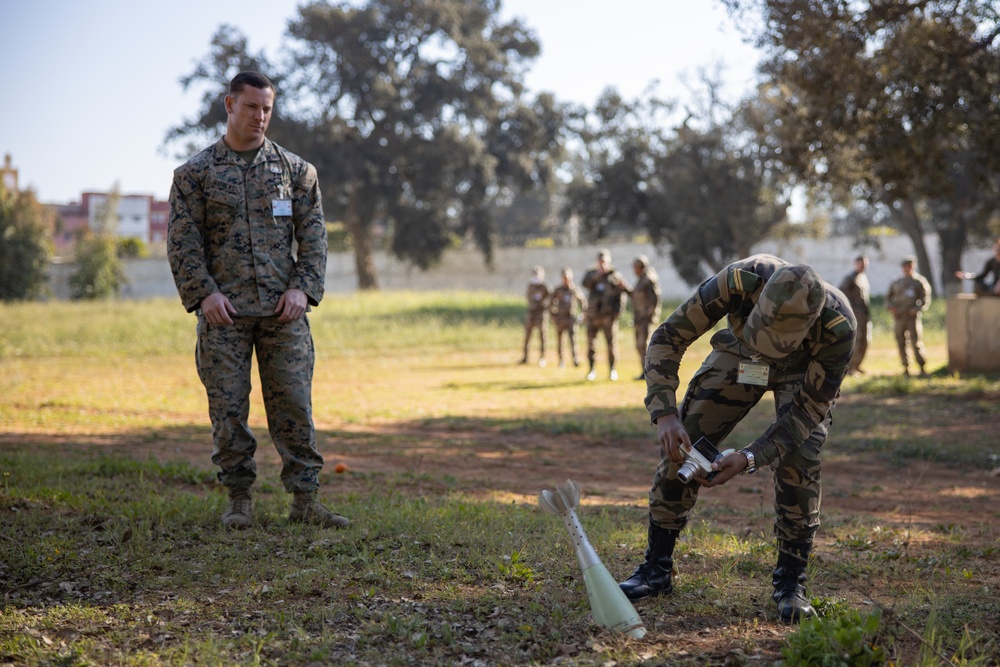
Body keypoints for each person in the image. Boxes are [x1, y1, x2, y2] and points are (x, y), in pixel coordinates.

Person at [618, 254, 856, 625]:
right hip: (742, 353)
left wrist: (749, 458)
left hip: (802, 372)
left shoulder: (838, 327)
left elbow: (804, 416)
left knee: (800, 457)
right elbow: (668, 336)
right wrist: (664, 412)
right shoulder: (739, 280)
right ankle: (656, 569)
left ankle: (791, 583)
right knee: (686, 439)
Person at [167, 71, 348, 530]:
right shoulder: (195, 175)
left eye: (267, 108)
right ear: (230, 105)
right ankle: (238, 499)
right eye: (251, 107)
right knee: (228, 410)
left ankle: (305, 500)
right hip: (223, 314)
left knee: (293, 405)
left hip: (282, 313)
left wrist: (302, 289)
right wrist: (203, 294)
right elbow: (183, 244)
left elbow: (314, 240)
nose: (260, 116)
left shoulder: (296, 172)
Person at [582, 249, 629, 381]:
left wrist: (618, 312)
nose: (602, 264)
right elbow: (585, 283)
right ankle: (591, 370)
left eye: (604, 262)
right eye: (600, 262)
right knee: (591, 344)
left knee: (611, 344)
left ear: (608, 262)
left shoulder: (614, 276)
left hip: (608, 317)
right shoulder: (592, 274)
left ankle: (612, 370)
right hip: (593, 316)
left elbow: (621, 294)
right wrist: (597, 275)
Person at [886, 256, 932, 377]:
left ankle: (922, 367)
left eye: (910, 266)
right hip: (899, 317)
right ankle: (906, 367)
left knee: (915, 342)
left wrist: (916, 309)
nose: (908, 269)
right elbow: (887, 299)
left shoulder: (918, 282)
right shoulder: (896, 282)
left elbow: (925, 299)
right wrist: (891, 308)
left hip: (912, 317)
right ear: (903, 268)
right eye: (906, 266)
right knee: (901, 341)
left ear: (913, 267)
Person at [625, 255, 662, 380]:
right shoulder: (641, 280)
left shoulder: (648, 280)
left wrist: (650, 315)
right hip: (639, 318)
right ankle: (645, 371)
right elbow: (635, 296)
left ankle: (650, 372)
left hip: (645, 318)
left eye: (635, 267)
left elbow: (655, 298)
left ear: (640, 267)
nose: (633, 270)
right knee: (640, 345)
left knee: (643, 345)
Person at [838, 255, 871, 375]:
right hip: (855, 315)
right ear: (856, 263)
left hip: (864, 315)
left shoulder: (863, 278)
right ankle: (850, 368)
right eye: (861, 264)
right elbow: (842, 295)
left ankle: (857, 365)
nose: (863, 266)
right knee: (855, 341)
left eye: (865, 264)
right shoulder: (850, 278)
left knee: (864, 341)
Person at [549, 267, 586, 368]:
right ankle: (561, 361)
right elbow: (549, 304)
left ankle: (575, 359)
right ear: (562, 278)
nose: (566, 279)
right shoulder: (558, 290)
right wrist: (554, 316)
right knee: (560, 341)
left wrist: (582, 314)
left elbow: (582, 301)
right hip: (560, 319)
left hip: (571, 319)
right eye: (565, 277)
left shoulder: (574, 290)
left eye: (568, 277)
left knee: (573, 340)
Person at [520, 266, 551, 366]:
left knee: (542, 336)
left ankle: (542, 357)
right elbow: (528, 298)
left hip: (541, 314)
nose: (536, 276)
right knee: (527, 336)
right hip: (531, 313)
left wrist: (545, 305)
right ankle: (525, 357)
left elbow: (551, 298)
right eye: (535, 274)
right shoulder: (530, 286)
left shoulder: (545, 287)